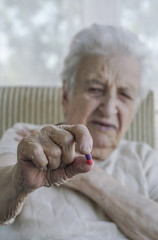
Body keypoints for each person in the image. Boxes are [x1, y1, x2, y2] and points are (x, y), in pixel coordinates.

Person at [0, 24, 158, 240]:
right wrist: (19, 181)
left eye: (124, 95)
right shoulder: (27, 141)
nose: (109, 107)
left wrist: (89, 177)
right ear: (66, 95)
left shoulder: (145, 160)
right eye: (95, 89)